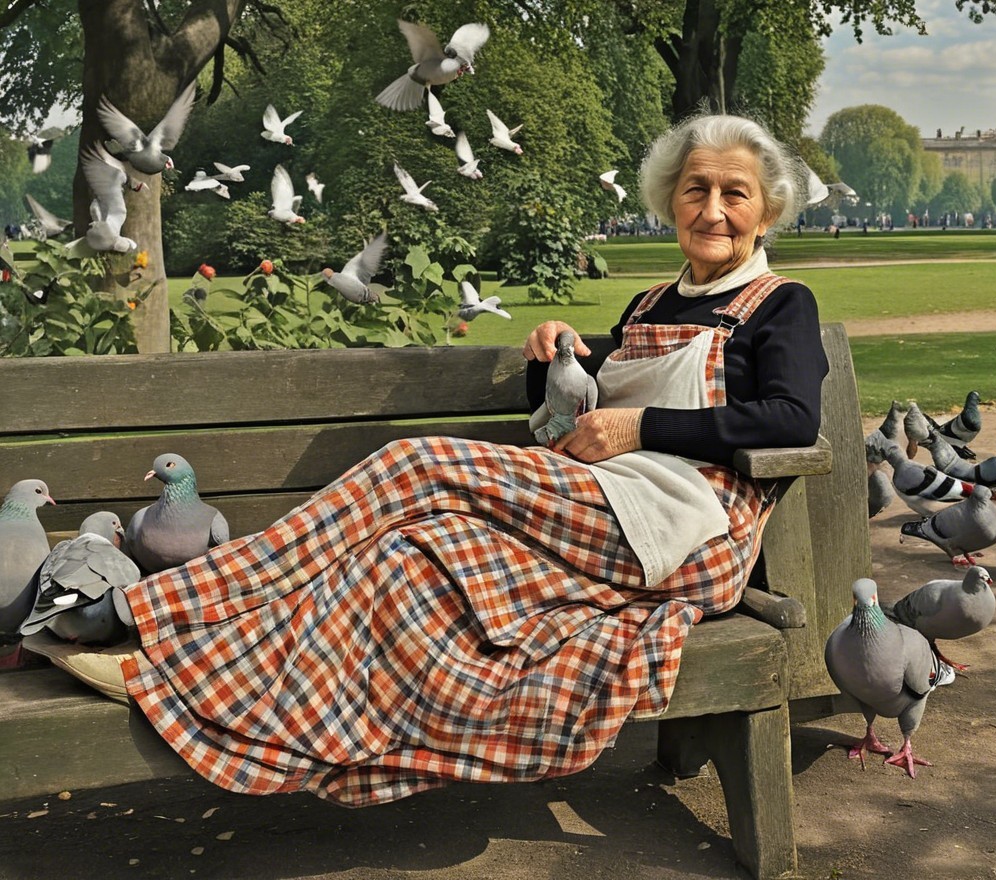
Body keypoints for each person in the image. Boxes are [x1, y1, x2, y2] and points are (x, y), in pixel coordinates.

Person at [108, 114, 829, 807]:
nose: (712, 210)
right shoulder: (648, 305)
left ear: (766, 213)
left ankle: (163, 608)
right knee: (403, 560)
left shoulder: (780, 305)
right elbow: (574, 413)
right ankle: (213, 676)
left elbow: (792, 419)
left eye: (735, 194)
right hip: (607, 513)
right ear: (671, 200)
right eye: (696, 189)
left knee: (414, 466)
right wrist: (552, 359)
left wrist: (640, 427)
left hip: (694, 530)